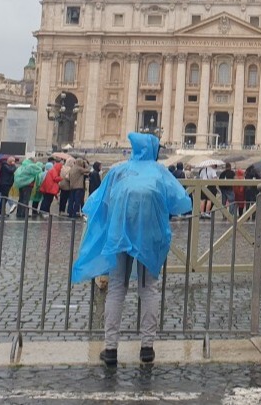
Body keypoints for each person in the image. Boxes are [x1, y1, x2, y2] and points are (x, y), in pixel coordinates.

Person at [71, 133, 192, 366]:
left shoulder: (119, 171)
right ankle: (147, 347)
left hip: (120, 234)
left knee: (117, 288)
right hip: (150, 235)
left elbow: (99, 201)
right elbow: (181, 202)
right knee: (149, 289)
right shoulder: (159, 172)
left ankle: (110, 348)